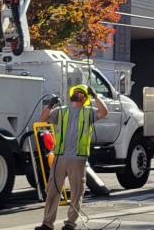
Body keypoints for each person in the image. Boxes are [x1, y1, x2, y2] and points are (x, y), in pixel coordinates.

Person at [35, 84, 108, 230]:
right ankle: (47, 224)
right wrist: (50, 105)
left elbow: (104, 112)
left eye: (80, 92)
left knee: (76, 192)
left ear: (84, 98)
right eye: (75, 91)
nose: (77, 93)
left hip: (78, 158)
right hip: (60, 157)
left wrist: (95, 96)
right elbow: (43, 119)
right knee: (52, 190)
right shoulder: (60, 111)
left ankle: (70, 224)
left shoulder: (88, 112)